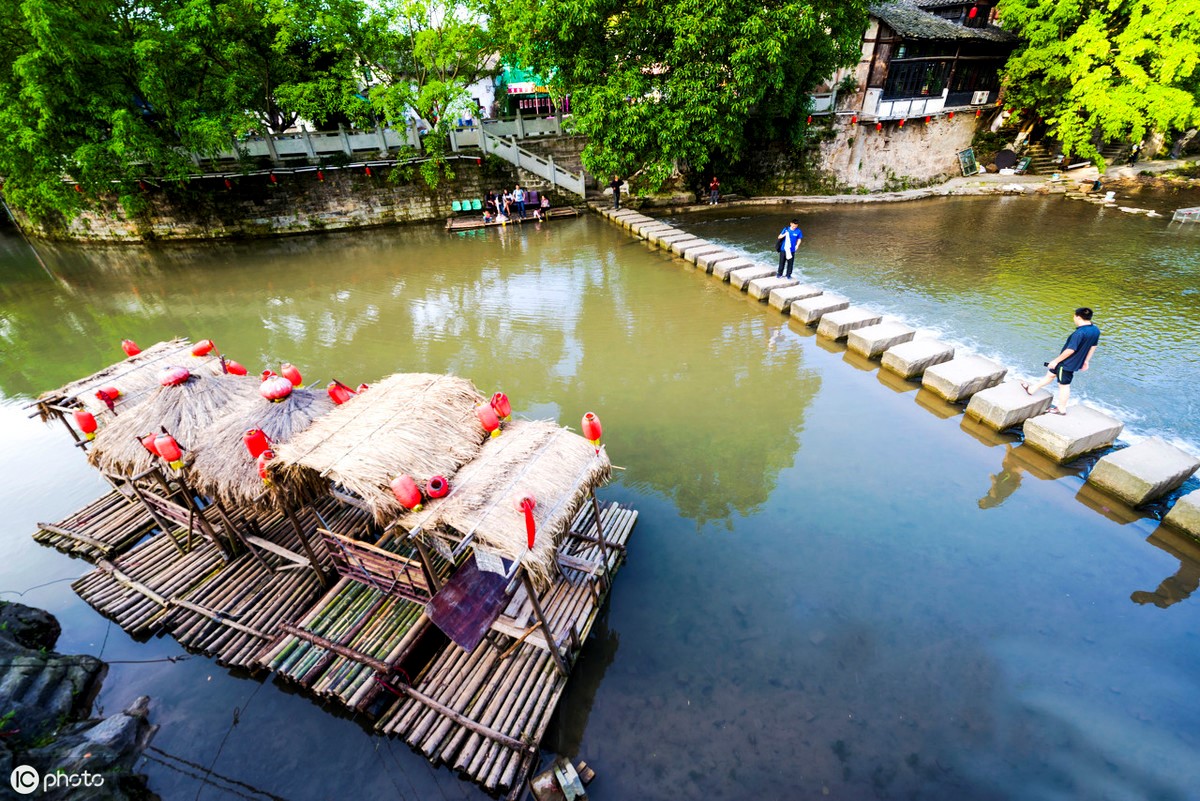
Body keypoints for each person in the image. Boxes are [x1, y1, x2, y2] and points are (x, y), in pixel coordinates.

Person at [1021, 307, 1100, 415]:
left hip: (1066, 364)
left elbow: (1070, 350)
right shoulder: (1095, 330)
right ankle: (1031, 389)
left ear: (1077, 316)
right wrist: (1086, 361)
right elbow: (1093, 346)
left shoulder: (1079, 333)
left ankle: (1061, 409)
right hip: (1070, 362)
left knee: (1064, 385)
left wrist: (1055, 361)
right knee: (1050, 375)